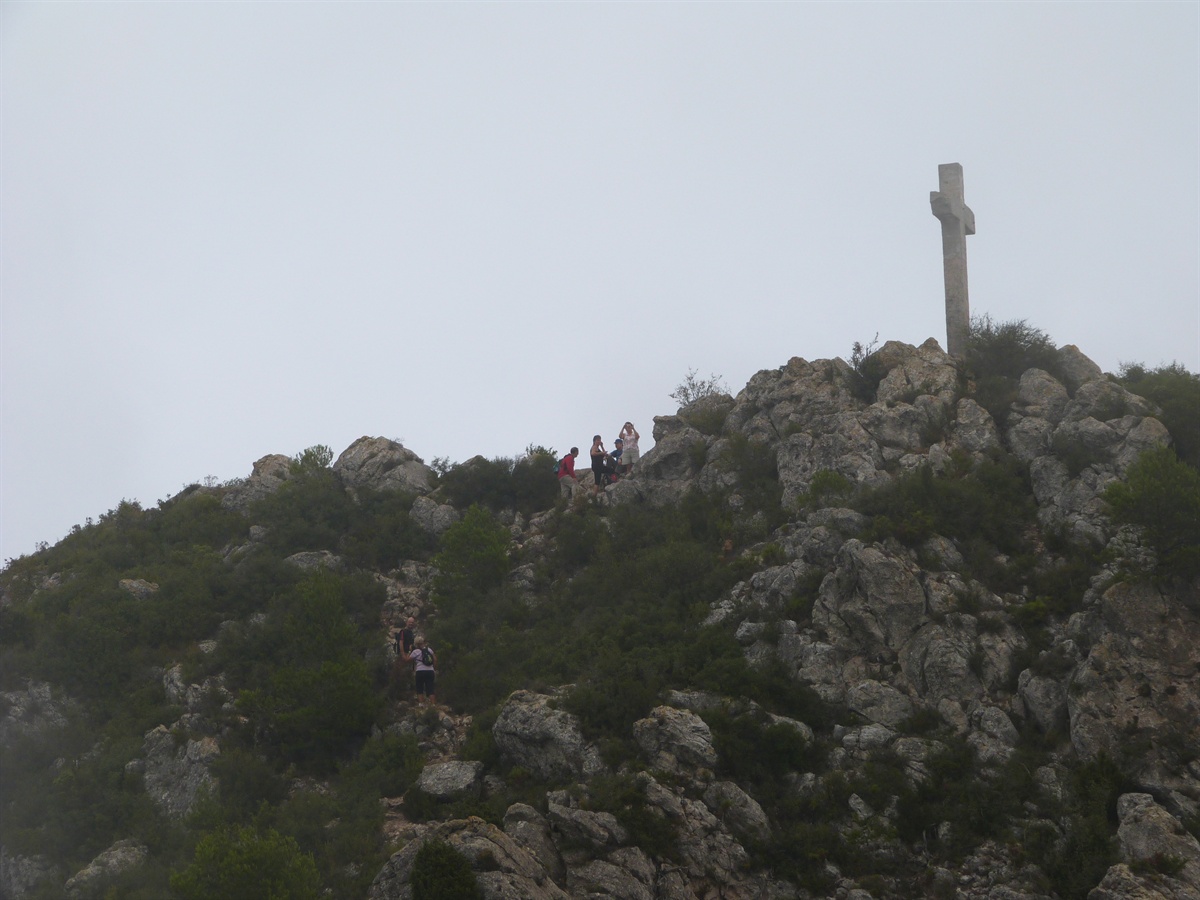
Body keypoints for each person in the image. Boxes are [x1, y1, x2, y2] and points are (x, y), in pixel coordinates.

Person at [411, 636, 436, 704]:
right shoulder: (429, 650)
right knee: (430, 688)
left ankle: (421, 705)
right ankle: (433, 705)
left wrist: (407, 652)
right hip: (430, 671)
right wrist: (433, 668)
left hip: (420, 671)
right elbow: (435, 659)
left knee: (419, 688)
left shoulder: (415, 651)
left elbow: (407, 659)